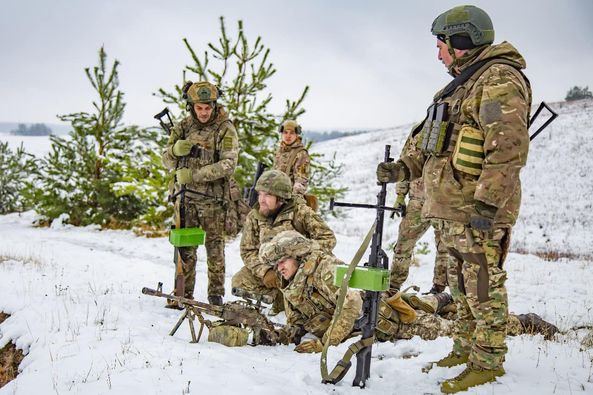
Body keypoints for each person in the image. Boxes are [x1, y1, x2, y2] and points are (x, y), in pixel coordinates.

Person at [376, 5, 532, 392]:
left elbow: (506, 148)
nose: (438, 53)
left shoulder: (497, 80)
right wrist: (402, 170)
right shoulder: (460, 85)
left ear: (462, 41)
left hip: (475, 210)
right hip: (449, 206)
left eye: (442, 44)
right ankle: (464, 347)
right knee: (460, 284)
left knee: (482, 284)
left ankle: (489, 360)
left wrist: (488, 205)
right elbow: (431, 146)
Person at [258, 231, 557, 354]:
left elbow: (349, 305)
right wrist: (277, 334)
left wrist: (325, 344)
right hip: (376, 321)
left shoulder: (323, 269)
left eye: (281, 262)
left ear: (297, 255)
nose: (278, 268)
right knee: (424, 304)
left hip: (395, 324)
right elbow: (299, 321)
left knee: (455, 331)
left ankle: (523, 322)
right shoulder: (292, 283)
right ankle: (442, 302)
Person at [162, 81, 239, 306]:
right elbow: (165, 160)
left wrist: (195, 175)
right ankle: (183, 293)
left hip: (213, 199)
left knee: (215, 249)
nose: (203, 113)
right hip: (185, 199)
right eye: (199, 108)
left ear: (214, 105)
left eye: (207, 108)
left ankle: (215, 295)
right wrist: (174, 151)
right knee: (186, 249)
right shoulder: (183, 126)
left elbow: (228, 164)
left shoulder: (225, 128)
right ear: (192, 106)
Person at [231, 169, 336, 313]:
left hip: (300, 271)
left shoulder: (301, 212)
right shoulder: (255, 216)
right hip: (273, 270)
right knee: (240, 281)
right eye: (260, 193)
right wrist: (265, 271)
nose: (261, 200)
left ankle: (306, 306)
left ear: (281, 198)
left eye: (267, 195)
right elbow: (247, 250)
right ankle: (280, 299)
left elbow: (328, 239)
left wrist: (300, 251)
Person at [389, 175, 449, 295]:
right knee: (403, 244)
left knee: (445, 246)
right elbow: (408, 164)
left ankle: (438, 290)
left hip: (443, 200)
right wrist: (400, 195)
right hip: (418, 200)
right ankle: (393, 287)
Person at [273, 120, 310, 197]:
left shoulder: (301, 153)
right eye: (285, 132)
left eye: (292, 133)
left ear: (296, 135)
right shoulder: (279, 152)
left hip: (289, 198)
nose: (288, 136)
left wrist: (293, 200)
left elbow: (301, 181)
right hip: (275, 195)